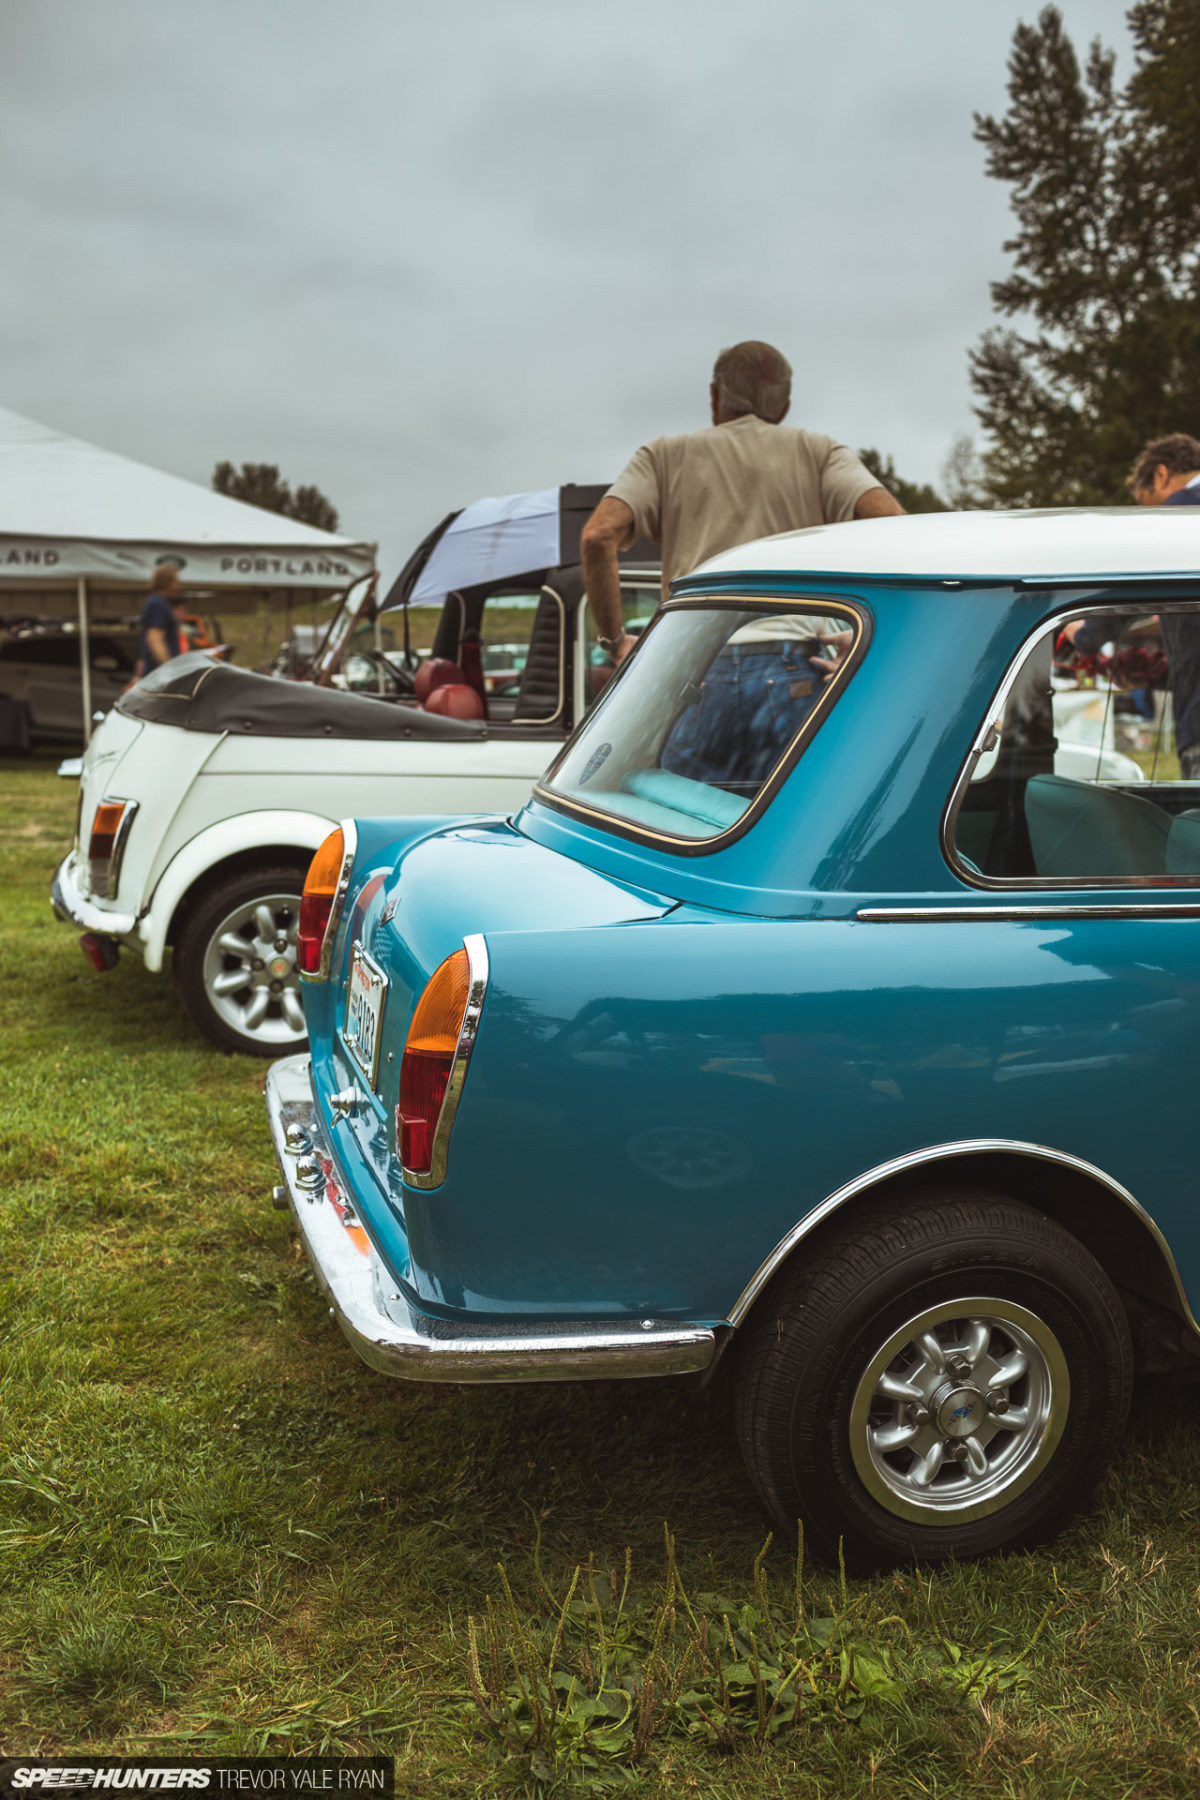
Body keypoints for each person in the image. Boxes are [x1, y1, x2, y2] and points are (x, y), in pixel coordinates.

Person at [580, 340, 905, 665]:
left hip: (689, 656)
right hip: (792, 658)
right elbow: (899, 528)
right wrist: (869, 635)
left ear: (714, 395)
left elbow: (597, 537)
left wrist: (616, 643)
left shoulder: (663, 456)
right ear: (784, 407)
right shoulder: (819, 453)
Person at [139, 564, 187, 674]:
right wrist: (169, 668)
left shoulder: (158, 602)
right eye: (176, 583)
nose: (178, 587)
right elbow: (155, 639)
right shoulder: (157, 604)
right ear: (166, 582)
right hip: (159, 673)